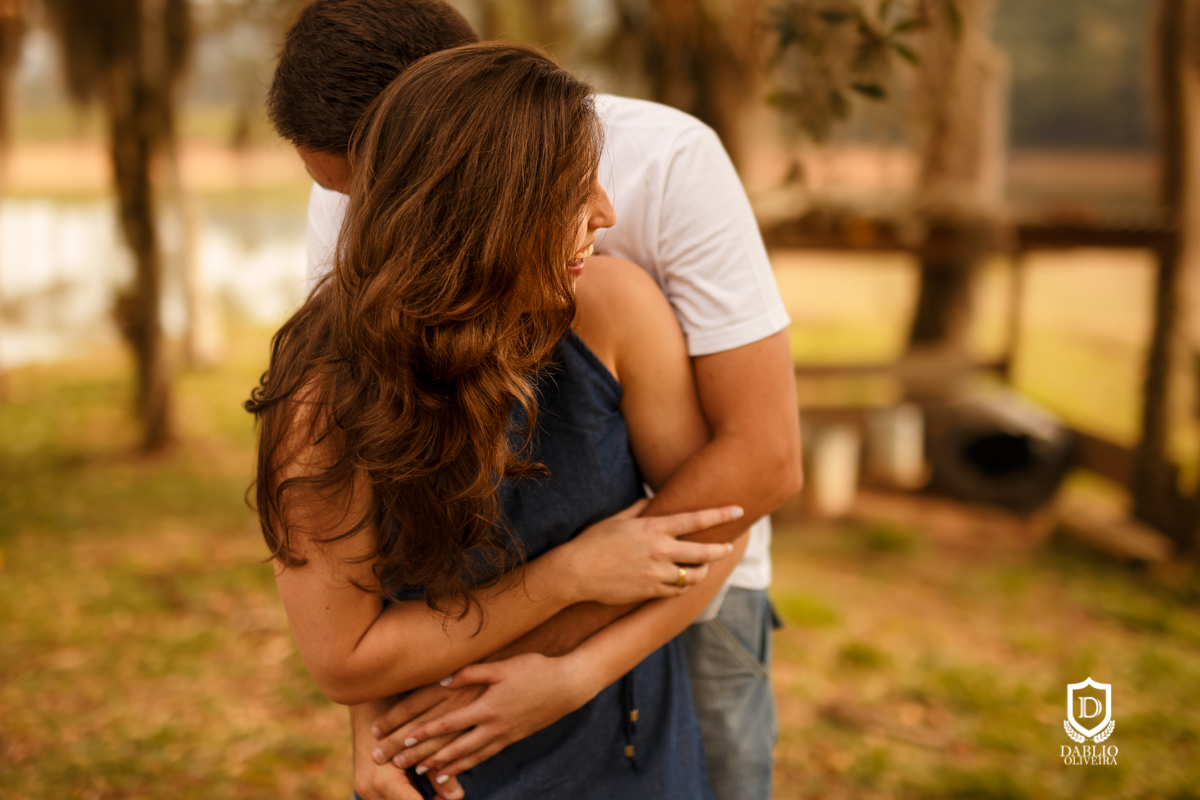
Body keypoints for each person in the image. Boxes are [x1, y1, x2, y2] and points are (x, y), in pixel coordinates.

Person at [268, 3, 802, 799]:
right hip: (442, 662)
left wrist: (570, 665)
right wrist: (378, 727)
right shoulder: (329, 375)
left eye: (366, 185)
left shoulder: (659, 183)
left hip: (669, 615)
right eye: (347, 193)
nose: (356, 216)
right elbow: (348, 615)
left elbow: (754, 468)